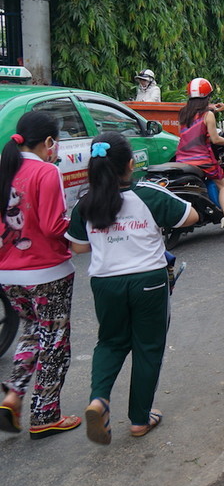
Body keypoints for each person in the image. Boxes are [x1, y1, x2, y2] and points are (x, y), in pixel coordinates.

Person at [69, 133, 199, 444]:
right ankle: (140, 419)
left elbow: (77, 247)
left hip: (105, 283)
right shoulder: (148, 195)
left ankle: (99, 399)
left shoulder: (85, 202)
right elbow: (191, 216)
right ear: (130, 164)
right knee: (148, 348)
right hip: (148, 281)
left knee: (111, 343)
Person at [0, 112, 80, 440]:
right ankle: (46, 414)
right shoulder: (46, 171)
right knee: (54, 341)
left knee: (32, 331)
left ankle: (13, 395)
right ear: (48, 142)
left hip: (8, 272)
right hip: (47, 271)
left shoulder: (5, 166)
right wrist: (79, 226)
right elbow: (52, 225)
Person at [175, 78, 224, 237]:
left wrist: (212, 109)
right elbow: (215, 139)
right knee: (223, 184)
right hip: (203, 159)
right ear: (208, 96)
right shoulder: (208, 115)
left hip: (181, 159)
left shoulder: (183, 113)